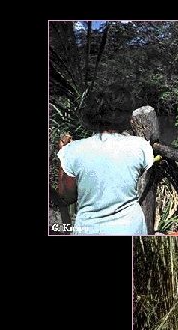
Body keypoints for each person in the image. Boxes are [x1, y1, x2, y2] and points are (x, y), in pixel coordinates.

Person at [56, 86, 153, 235]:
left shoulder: (74, 150)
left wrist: (63, 155)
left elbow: (65, 197)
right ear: (126, 115)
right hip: (130, 230)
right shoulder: (140, 147)